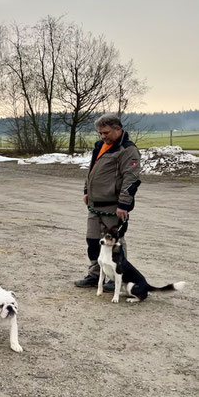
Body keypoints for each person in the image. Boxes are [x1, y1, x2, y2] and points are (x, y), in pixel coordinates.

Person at [74, 114, 141, 288]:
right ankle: (96, 275)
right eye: (100, 133)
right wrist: (87, 191)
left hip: (113, 206)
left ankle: (117, 278)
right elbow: (92, 171)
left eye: (106, 132)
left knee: (116, 243)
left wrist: (124, 204)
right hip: (95, 205)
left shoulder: (127, 150)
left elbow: (131, 178)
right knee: (93, 241)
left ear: (118, 129)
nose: (103, 136)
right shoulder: (100, 146)